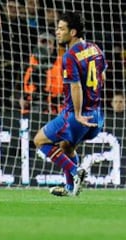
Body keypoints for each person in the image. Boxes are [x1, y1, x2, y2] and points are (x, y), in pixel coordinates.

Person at [33, 12, 107, 197]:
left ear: (73, 32)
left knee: (39, 140)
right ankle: (69, 188)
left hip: (76, 116)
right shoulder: (96, 49)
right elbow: (102, 77)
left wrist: (78, 113)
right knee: (67, 147)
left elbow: (75, 87)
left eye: (61, 29)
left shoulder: (69, 56)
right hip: (97, 115)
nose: (57, 32)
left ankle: (76, 172)